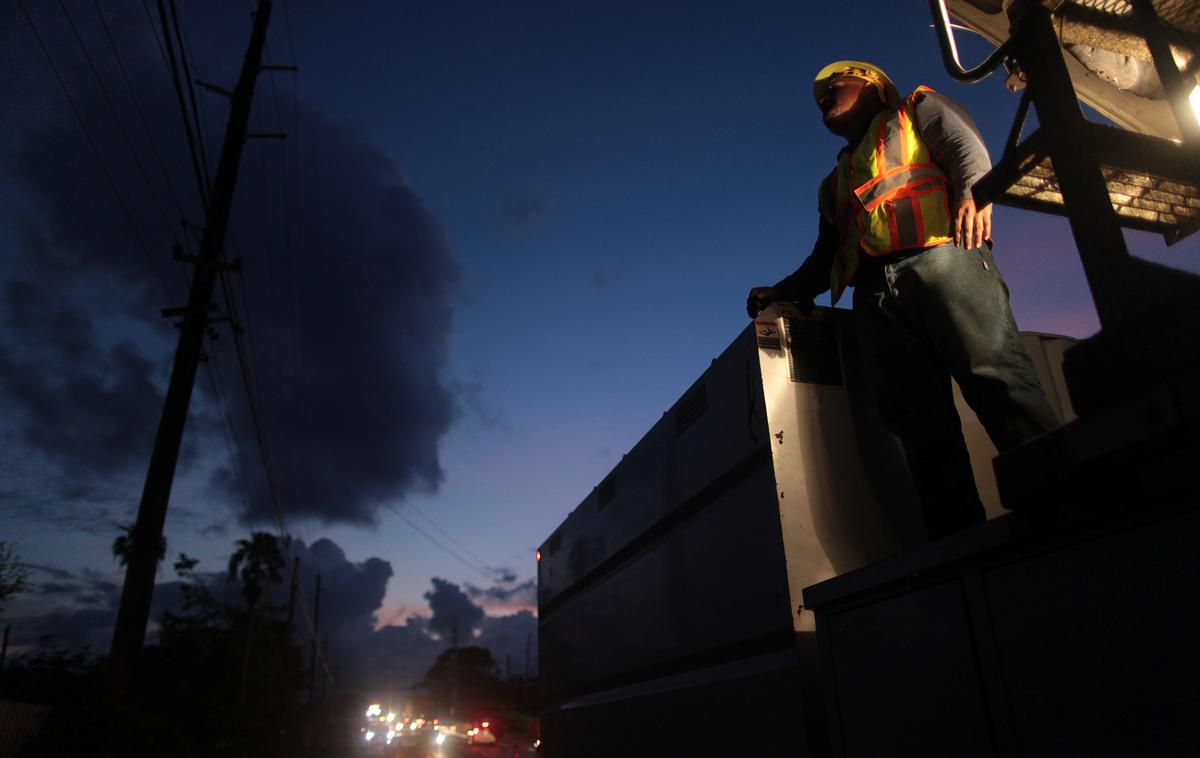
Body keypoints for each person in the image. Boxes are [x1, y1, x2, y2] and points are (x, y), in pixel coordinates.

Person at [747, 60, 1061, 539]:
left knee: (998, 381)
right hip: (875, 296)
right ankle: (959, 538)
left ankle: (1060, 508)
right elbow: (825, 256)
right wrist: (785, 291)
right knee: (917, 421)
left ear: (872, 87)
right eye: (823, 95)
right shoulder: (832, 184)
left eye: (836, 86)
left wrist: (976, 195)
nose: (825, 98)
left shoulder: (915, 109)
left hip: (944, 258)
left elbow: (963, 147)